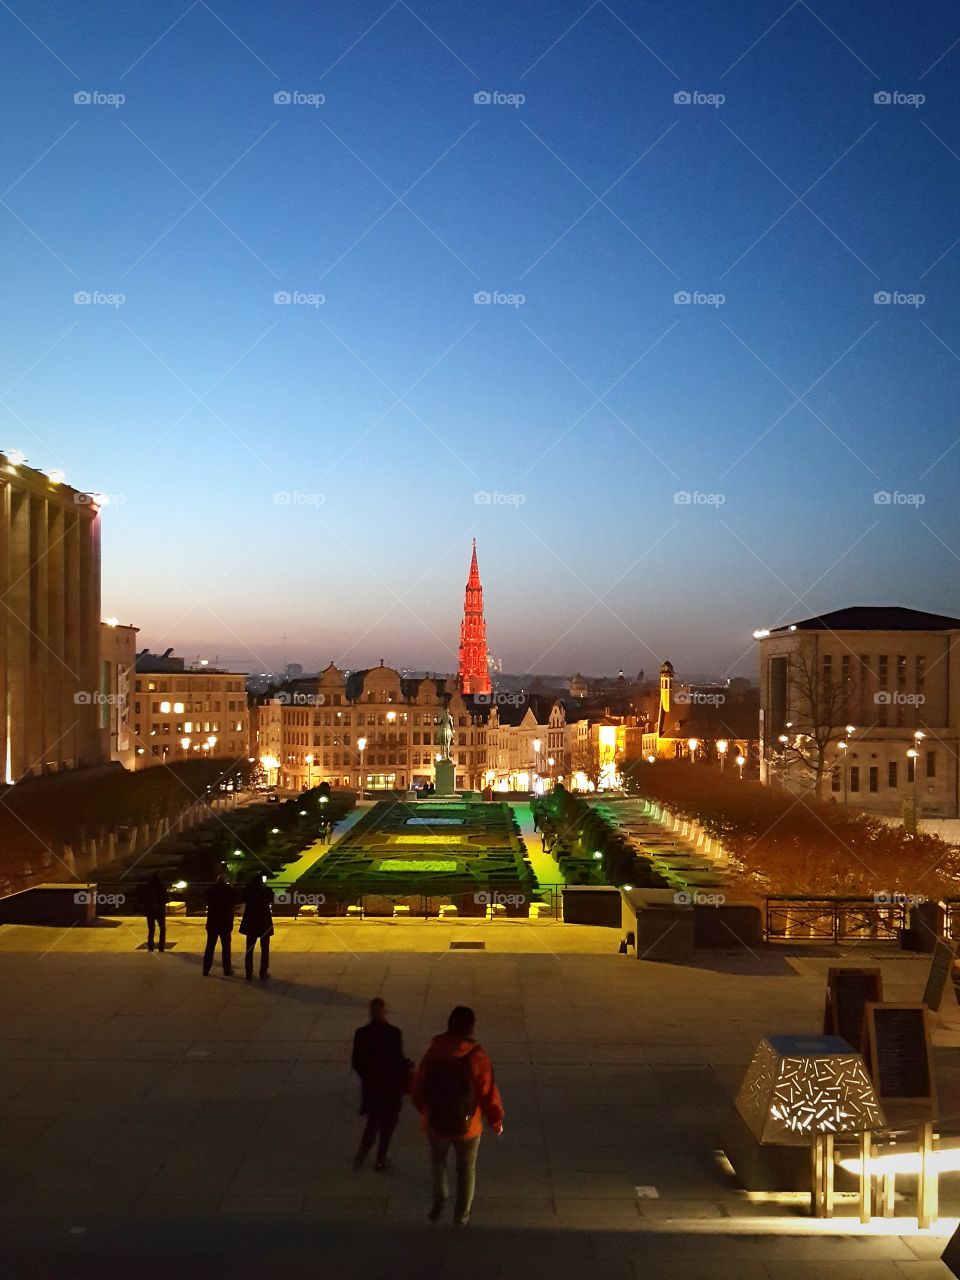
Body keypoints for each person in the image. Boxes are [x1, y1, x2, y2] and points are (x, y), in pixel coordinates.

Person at [413, 1006, 504, 1226]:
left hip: (436, 1121)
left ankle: (440, 1199)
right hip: (468, 1124)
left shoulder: (434, 1051)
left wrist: (425, 1110)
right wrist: (495, 1120)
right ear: (470, 1028)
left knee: (439, 1163)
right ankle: (461, 1216)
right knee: (466, 1169)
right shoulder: (477, 1055)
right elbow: (487, 1091)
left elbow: (419, 1086)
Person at [351, 997, 410, 1171]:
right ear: (385, 1011)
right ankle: (381, 1158)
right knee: (389, 1123)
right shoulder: (393, 1033)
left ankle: (363, 1151)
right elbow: (398, 1060)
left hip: (372, 1086)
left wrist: (368, 1075)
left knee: (373, 1120)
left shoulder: (361, 1033)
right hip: (390, 1087)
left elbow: (356, 1062)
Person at [239, 872, 274, 981]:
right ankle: (263, 972)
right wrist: (265, 887)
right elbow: (272, 898)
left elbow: (243, 898)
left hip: (251, 923)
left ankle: (248, 972)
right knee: (265, 949)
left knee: (249, 949)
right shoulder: (264, 891)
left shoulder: (248, 891)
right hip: (263, 923)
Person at [203, 874, 235, 976]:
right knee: (226, 947)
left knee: (210, 946)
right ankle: (227, 969)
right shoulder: (229, 890)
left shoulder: (211, 890)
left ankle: (206, 969)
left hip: (213, 922)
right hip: (225, 922)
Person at [143, 872, 168, 952]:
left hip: (150, 911)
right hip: (160, 910)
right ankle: (161, 947)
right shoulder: (161, 886)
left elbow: (144, 899)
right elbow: (166, 898)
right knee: (162, 929)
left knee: (151, 930)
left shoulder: (147, 887)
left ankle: (151, 947)